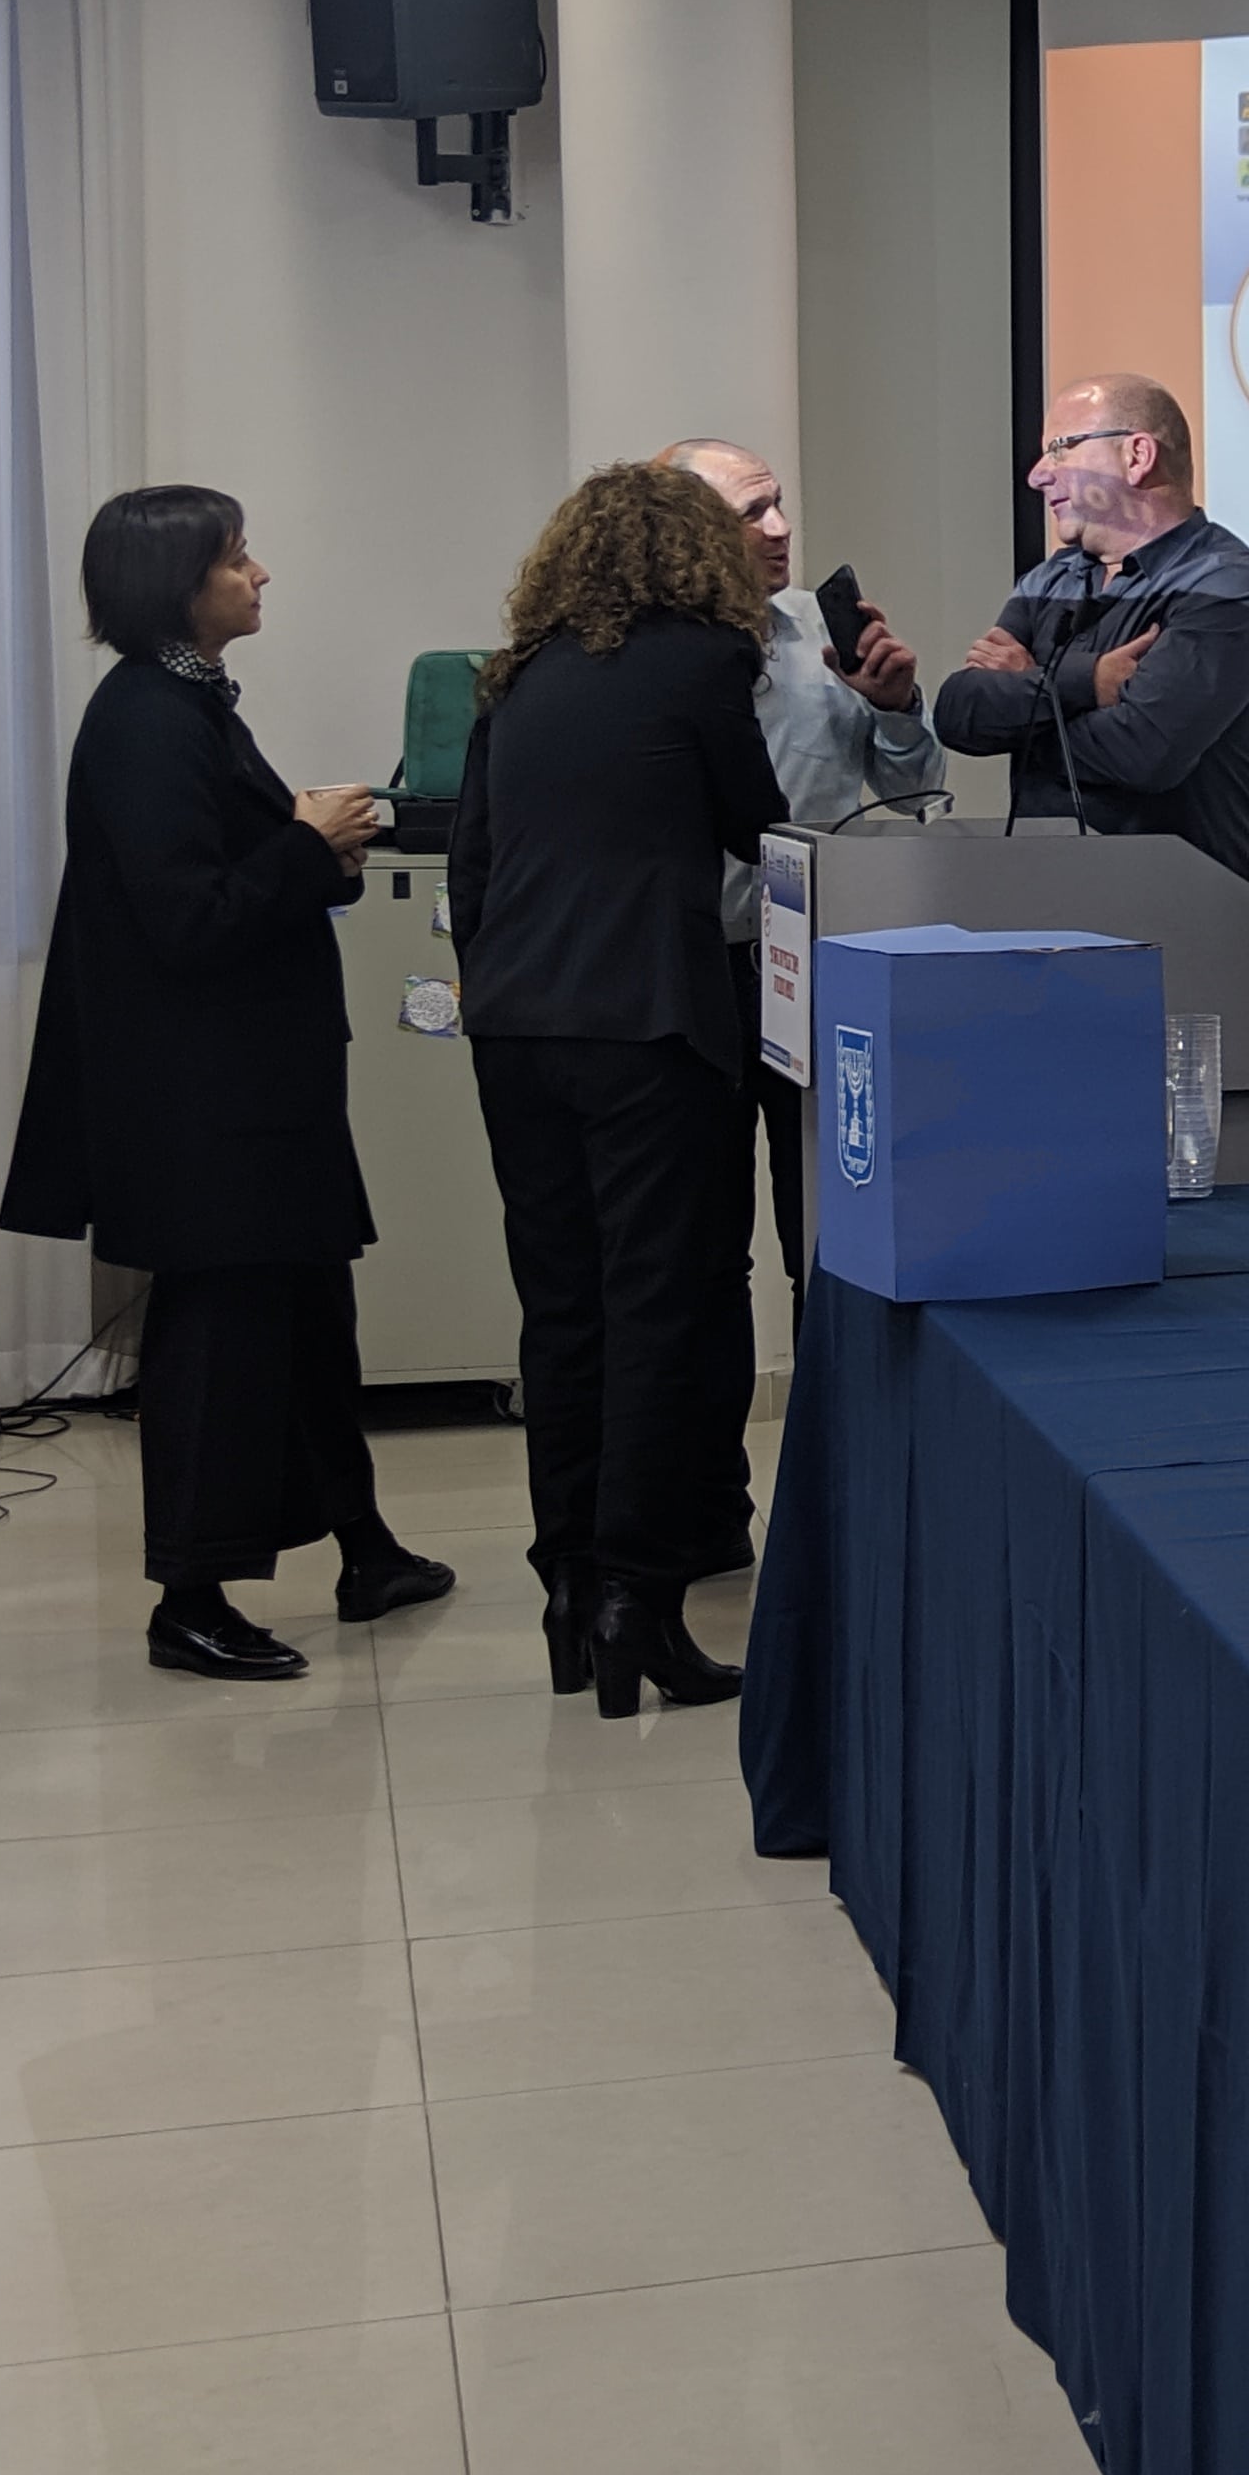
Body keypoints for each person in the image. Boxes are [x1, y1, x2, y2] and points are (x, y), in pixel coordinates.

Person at [0, 487, 453, 1679]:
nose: (260, 575)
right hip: (204, 1106)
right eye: (236, 558)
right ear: (177, 586)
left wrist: (318, 850)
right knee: (221, 1340)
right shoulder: (146, 718)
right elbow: (188, 920)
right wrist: (307, 843)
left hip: (256, 1094)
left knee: (308, 1325)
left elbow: (233, 870)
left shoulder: (192, 701)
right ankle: (188, 1597)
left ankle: (364, 1548)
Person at [449, 464, 788, 1714]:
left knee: (562, 1311)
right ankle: (637, 1601)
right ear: (692, 554)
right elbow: (758, 823)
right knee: (656, 1308)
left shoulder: (518, 673)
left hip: (517, 1029)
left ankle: (566, 1582)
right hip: (648, 1025)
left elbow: (472, 868)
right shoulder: (704, 660)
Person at [660, 437, 943, 1314]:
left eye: (779, 502)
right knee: (694, 1235)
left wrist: (897, 709)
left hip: (811, 966)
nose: (781, 528)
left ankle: (826, 1391)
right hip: (687, 972)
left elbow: (916, 794)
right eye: (752, 513)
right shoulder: (643, 657)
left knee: (824, 1224)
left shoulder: (818, 632)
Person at [933, 374, 1249, 897]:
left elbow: (1143, 754)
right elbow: (958, 712)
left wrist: (1024, 702)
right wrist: (1088, 681)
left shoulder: (1227, 588)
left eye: (1060, 449)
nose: (1037, 475)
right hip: (1047, 906)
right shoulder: (1050, 581)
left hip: (1187, 917)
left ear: (1137, 456)